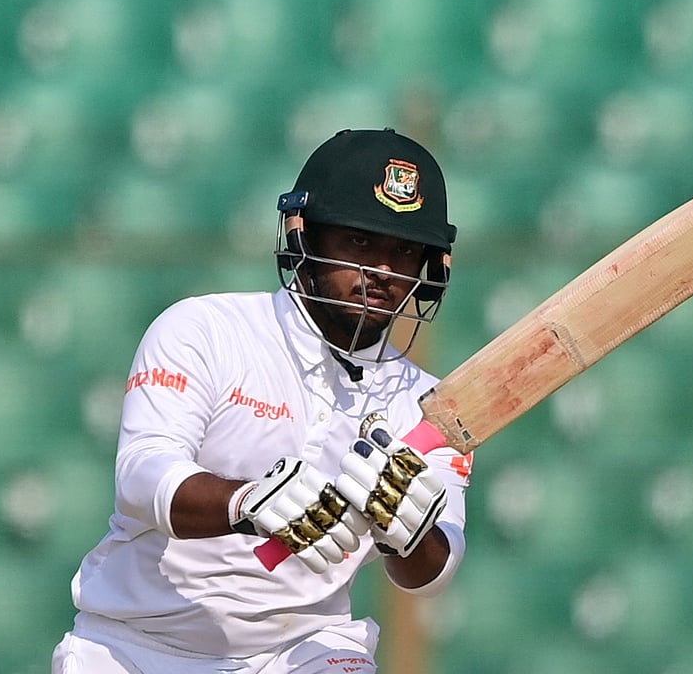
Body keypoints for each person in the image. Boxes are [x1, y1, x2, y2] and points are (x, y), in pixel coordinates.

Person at [52, 128, 471, 674]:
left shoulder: (423, 402)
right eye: (360, 242)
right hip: (134, 647)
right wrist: (245, 502)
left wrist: (406, 536)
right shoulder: (205, 330)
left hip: (304, 648)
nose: (382, 272)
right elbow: (140, 477)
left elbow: (436, 568)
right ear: (305, 238)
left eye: (404, 252)